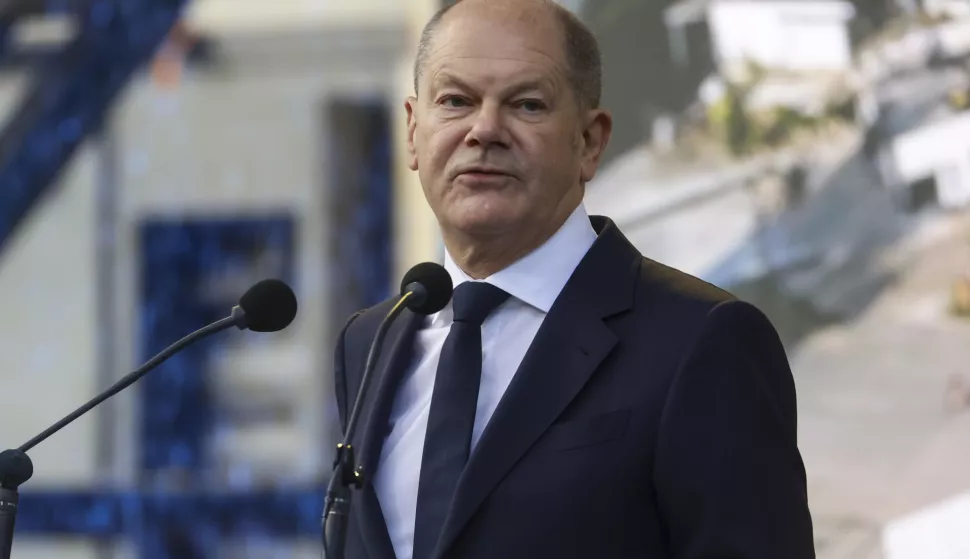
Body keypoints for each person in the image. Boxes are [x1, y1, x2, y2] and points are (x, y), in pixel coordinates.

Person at [332, 1, 816, 558]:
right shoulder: (367, 345)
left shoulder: (702, 341)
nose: (484, 129)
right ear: (414, 129)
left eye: (527, 104)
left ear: (589, 142)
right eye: (456, 100)